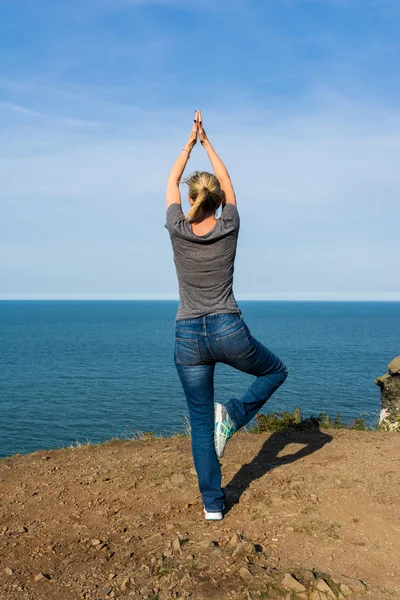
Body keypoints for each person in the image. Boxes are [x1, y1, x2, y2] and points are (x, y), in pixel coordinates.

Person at [165, 111, 288, 521]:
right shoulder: (230, 224)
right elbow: (230, 181)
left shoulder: (177, 226)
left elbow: (168, 183)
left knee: (200, 423)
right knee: (275, 372)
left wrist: (188, 142)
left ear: (190, 196)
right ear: (218, 198)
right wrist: (208, 142)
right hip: (227, 327)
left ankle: (212, 507)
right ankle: (233, 415)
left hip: (187, 335)